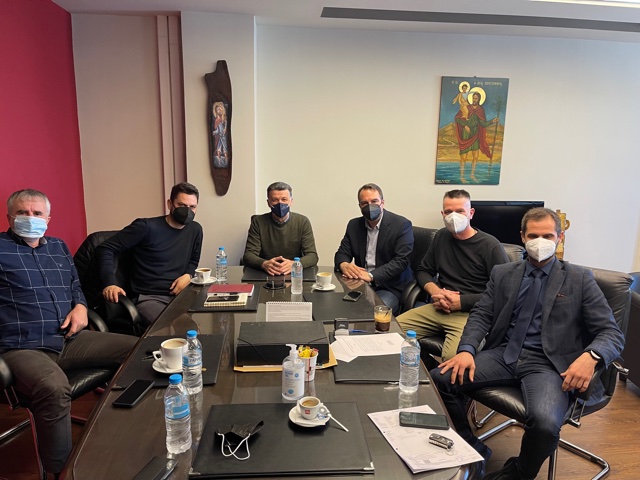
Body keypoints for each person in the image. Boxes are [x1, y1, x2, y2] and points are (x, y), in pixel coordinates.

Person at [432, 208, 625, 480]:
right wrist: (466, 350)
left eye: (548, 236)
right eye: (533, 236)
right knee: (439, 379)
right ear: (522, 237)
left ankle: (518, 473)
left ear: (559, 238)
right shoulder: (503, 273)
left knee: (545, 424)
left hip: (548, 365)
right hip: (504, 354)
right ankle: (472, 448)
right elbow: (482, 314)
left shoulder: (579, 278)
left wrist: (591, 356)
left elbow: (611, 332)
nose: (540, 242)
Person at [0, 189, 137, 478]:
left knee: (141, 350)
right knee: (54, 387)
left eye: (37, 213)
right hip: (22, 346)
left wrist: (81, 307)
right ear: (10, 217)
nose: (30, 218)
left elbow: (76, 286)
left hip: (69, 338)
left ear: (48, 219)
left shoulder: (58, 247)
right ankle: (61, 472)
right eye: (23, 213)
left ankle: (127, 430)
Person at [397, 189, 509, 361]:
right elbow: (423, 271)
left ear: (471, 213)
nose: (453, 216)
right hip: (439, 306)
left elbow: (504, 292)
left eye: (460, 211)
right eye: (448, 212)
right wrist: (436, 292)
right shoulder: (441, 236)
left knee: (454, 360)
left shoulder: (490, 246)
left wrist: (461, 302)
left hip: (472, 314)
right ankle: (422, 368)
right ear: (442, 214)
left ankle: (433, 376)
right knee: (389, 332)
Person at [98, 182, 203, 326]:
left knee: (207, 319)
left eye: (192, 207)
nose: (187, 211)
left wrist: (188, 275)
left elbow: (194, 259)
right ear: (170, 204)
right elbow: (106, 248)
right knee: (174, 329)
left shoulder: (195, 230)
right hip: (149, 298)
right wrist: (109, 283)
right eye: (182, 205)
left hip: (180, 295)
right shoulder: (146, 227)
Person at [334, 183, 413, 314]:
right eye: (364, 203)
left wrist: (371, 276)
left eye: (374, 201)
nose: (370, 206)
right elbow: (342, 253)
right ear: (360, 206)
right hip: (360, 284)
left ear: (382, 203)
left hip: (389, 287)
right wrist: (344, 265)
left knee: (370, 313)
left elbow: (401, 261)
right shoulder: (354, 225)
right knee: (339, 308)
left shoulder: (401, 224)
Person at [242, 181, 318, 275]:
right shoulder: (258, 222)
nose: (280, 203)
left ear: (291, 201)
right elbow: (249, 255)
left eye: (284, 199)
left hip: (294, 274)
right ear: (268, 203)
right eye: (275, 200)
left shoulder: (302, 222)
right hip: (267, 273)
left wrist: (294, 264)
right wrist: (264, 264)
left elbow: (312, 256)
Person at [455, 90, 498, 183]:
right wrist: (465, 125)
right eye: (473, 98)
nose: (474, 100)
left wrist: (492, 121)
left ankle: (472, 175)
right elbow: (457, 118)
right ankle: (462, 177)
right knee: (464, 157)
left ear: (479, 99)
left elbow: (483, 124)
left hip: (475, 134)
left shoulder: (480, 110)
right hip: (466, 134)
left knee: (476, 156)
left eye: (476, 98)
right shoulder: (467, 107)